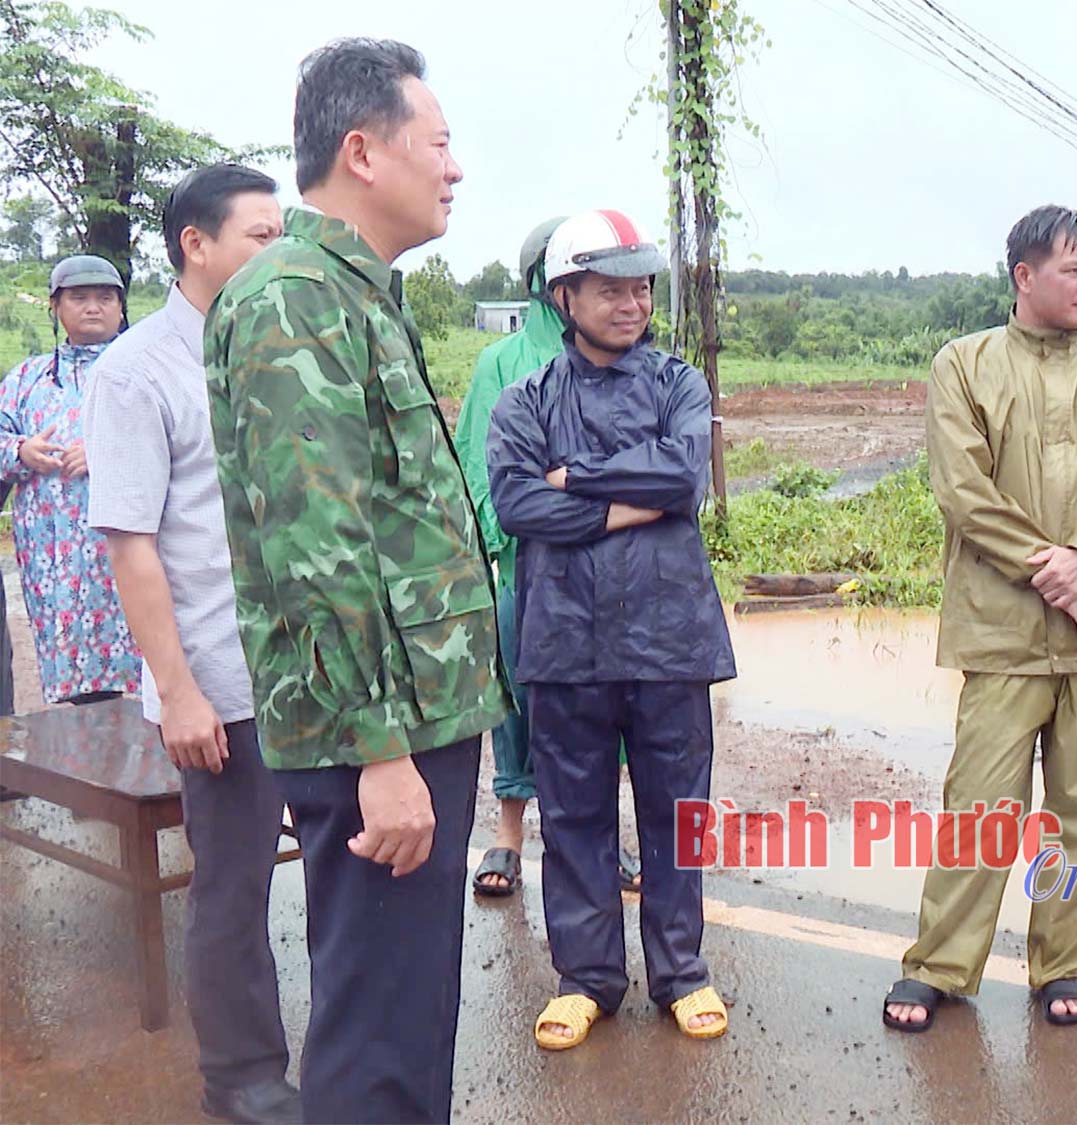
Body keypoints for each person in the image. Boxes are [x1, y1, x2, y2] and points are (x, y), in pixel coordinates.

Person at [204, 39, 507, 1124]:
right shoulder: (294, 297)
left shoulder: (354, 292)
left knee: (407, 1011)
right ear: (362, 151)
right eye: (438, 143)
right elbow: (314, 547)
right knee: (377, 1035)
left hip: (409, 714)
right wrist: (381, 753)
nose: (455, 168)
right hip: (373, 730)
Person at [882, 204, 1077, 1033]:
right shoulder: (964, 367)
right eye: (1075, 270)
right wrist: (1055, 572)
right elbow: (963, 490)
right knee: (982, 803)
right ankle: (938, 963)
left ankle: (1063, 964)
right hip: (1002, 628)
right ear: (1024, 275)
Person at [486, 208, 735, 1048]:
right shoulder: (526, 400)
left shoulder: (678, 385)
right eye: (610, 288)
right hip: (565, 639)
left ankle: (681, 970)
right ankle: (586, 976)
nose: (631, 303)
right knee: (574, 814)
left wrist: (580, 480)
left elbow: (682, 476)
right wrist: (628, 506)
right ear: (564, 295)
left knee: (677, 812)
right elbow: (519, 503)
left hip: (670, 637)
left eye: (640, 287)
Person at [81, 163, 299, 1125]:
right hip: (219, 678)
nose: (279, 249)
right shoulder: (136, 371)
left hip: (307, 672)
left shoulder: (282, 350)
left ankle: (335, 1051)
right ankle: (242, 1077)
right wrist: (179, 691)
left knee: (342, 866)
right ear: (195, 245)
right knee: (235, 885)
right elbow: (130, 542)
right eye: (261, 233)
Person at [456, 217, 642, 899]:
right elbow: (479, 468)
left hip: (609, 569)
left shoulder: (627, 358)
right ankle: (508, 835)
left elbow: (650, 472)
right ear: (548, 283)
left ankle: (604, 838)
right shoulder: (500, 365)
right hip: (525, 566)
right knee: (517, 701)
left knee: (608, 706)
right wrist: (507, 540)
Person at [0, 254, 143, 705]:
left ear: (121, 308)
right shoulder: (27, 378)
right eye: (78, 298)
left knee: (144, 671)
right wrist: (20, 451)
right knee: (71, 687)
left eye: (105, 298)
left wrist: (107, 455)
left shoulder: (142, 370)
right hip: (51, 555)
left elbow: (185, 439)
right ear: (55, 307)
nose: (93, 307)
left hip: (124, 547)